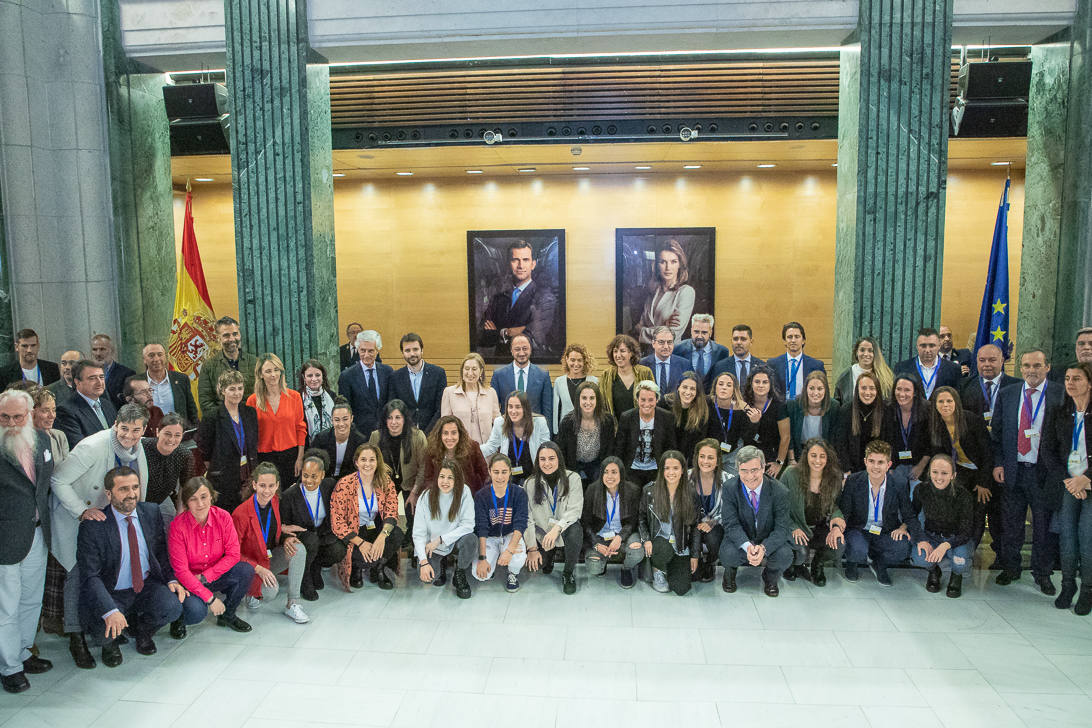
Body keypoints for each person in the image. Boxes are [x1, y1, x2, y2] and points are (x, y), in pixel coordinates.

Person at [51, 403, 150, 669]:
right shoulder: (91, 447)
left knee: (105, 572)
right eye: (124, 428)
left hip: (108, 517)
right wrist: (82, 511)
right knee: (77, 574)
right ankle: (76, 638)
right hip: (78, 517)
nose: (129, 435)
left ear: (144, 429)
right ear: (115, 424)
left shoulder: (138, 447)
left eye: (136, 430)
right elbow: (58, 481)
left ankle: (106, 626)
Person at [75, 467, 185, 666]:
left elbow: (160, 552)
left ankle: (142, 632)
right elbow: (90, 576)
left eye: (135, 487)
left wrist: (171, 579)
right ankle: (110, 645)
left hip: (145, 585)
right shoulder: (93, 526)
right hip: (113, 591)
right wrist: (110, 610)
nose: (132, 494)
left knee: (173, 607)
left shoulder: (151, 512)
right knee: (102, 634)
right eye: (124, 489)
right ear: (109, 494)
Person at [991, 349, 1062, 594]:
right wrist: (998, 463)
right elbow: (997, 434)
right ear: (1020, 368)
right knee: (1011, 524)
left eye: (1037, 365)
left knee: (1043, 527)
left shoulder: (1059, 394)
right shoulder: (1007, 394)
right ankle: (1011, 568)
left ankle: (1042, 574)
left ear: (1047, 367)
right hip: (1013, 470)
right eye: (1026, 365)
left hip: (1043, 473)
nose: (1031, 370)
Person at [0, 389, 54, 694]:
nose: (11, 424)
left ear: (30, 413)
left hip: (37, 532)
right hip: (6, 538)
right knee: (6, 606)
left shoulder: (42, 440)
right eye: (4, 417)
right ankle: (9, 667)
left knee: (32, 598)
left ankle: (21, 652)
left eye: (17, 417)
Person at [168, 476, 254, 636]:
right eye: (193, 499)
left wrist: (207, 576)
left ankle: (227, 616)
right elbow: (181, 571)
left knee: (246, 570)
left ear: (211, 496)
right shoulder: (177, 526)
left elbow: (233, 555)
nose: (200, 504)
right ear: (187, 502)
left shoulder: (223, 517)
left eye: (203, 497)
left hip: (212, 575)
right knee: (196, 613)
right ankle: (178, 617)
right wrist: (211, 599)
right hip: (189, 582)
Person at [231, 463, 309, 624]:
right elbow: (233, 554)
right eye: (262, 485)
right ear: (254, 485)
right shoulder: (240, 514)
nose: (267, 490)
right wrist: (258, 569)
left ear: (277, 486)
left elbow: (273, 531)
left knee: (298, 550)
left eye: (271, 486)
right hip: (250, 567)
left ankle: (292, 604)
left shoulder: (274, 500)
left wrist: (286, 538)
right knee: (270, 592)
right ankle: (249, 593)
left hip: (267, 559)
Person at [1045, 363, 1092, 614]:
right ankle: (1067, 585)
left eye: (1077, 378)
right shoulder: (1060, 411)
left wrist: (1086, 479)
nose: (1070, 383)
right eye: (1067, 378)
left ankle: (1088, 590)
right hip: (1069, 484)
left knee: (1087, 539)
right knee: (1067, 538)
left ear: (1090, 383)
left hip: (1089, 485)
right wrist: (1068, 480)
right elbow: (1048, 451)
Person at [838, 441, 917, 586]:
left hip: (885, 531)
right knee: (857, 548)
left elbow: (908, 513)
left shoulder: (898, 483)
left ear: (889, 464)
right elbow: (845, 512)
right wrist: (838, 529)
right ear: (865, 462)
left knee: (903, 547)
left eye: (881, 462)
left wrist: (904, 527)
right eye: (872, 461)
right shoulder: (853, 481)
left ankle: (879, 562)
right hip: (858, 530)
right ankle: (852, 563)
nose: (875, 467)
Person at [719, 445, 794, 596]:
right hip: (742, 538)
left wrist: (763, 548)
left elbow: (781, 529)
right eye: (744, 471)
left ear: (763, 467)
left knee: (785, 555)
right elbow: (731, 524)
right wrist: (747, 546)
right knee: (727, 553)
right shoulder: (729, 488)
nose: (749, 476)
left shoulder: (780, 491)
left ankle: (770, 577)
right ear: (738, 470)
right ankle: (730, 572)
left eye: (754, 470)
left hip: (767, 538)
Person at [928, 386, 995, 550]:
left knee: (979, 508)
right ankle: (954, 544)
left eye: (949, 401)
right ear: (935, 405)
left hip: (980, 471)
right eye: (941, 401)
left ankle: (970, 549)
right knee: (957, 505)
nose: (945, 405)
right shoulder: (936, 424)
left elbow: (988, 453)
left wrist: (983, 482)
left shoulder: (971, 419)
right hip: (959, 470)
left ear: (956, 402)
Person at [329, 444, 402, 591]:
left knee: (397, 534)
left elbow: (392, 511)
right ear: (356, 462)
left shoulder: (385, 481)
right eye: (363, 460)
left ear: (377, 462)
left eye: (371, 460)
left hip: (376, 529)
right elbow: (337, 523)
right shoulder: (344, 485)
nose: (367, 464)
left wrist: (382, 536)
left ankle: (378, 568)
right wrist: (361, 543)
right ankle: (357, 568)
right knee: (363, 558)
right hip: (354, 533)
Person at [278, 450, 345, 601]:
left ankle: (316, 567)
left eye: (314, 476)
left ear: (322, 475)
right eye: (305, 475)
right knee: (311, 541)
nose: (309, 480)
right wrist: (287, 538)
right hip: (303, 538)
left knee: (338, 549)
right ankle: (305, 575)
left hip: (323, 535)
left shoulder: (330, 486)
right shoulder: (289, 495)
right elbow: (283, 524)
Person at [29, 386, 68, 637]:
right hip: (36, 511)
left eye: (53, 410)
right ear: (31, 412)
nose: (51, 415)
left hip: (59, 507)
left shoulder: (58, 437)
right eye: (45, 410)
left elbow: (64, 472)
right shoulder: (24, 441)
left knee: (58, 564)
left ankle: (53, 617)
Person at [780, 438, 845, 586]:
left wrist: (836, 525)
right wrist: (792, 527)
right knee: (801, 553)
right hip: (795, 526)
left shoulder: (834, 477)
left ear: (828, 457)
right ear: (806, 456)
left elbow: (834, 506)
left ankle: (817, 564)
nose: (818, 460)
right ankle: (795, 565)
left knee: (839, 543)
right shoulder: (791, 473)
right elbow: (778, 506)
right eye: (813, 455)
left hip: (819, 527)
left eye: (822, 456)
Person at [195, 370, 259, 515]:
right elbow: (204, 449)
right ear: (223, 390)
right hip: (224, 478)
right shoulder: (212, 416)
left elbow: (254, 442)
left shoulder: (250, 413)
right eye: (232, 389)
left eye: (240, 388)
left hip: (248, 473)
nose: (237, 393)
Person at [523, 443, 584, 594]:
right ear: (537, 461)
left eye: (551, 458)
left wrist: (556, 529)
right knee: (535, 566)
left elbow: (574, 511)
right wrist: (531, 548)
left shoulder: (573, 478)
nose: (547, 463)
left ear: (559, 459)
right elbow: (528, 518)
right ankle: (549, 554)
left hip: (564, 530)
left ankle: (568, 573)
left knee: (575, 531)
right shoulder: (530, 484)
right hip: (542, 533)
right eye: (542, 459)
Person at [479, 239, 558, 356]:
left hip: (530, 363)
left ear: (533, 264)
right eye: (515, 260)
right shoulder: (497, 299)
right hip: (500, 363)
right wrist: (507, 332)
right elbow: (481, 335)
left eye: (525, 260)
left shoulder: (545, 298)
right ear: (508, 263)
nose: (520, 265)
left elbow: (534, 336)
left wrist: (497, 332)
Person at [911, 455, 974, 598]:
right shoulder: (921, 489)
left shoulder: (964, 495)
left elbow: (966, 531)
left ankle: (956, 575)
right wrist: (921, 539)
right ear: (929, 473)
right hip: (931, 535)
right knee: (920, 557)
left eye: (944, 473)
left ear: (953, 475)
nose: (939, 477)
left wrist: (946, 544)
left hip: (957, 539)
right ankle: (934, 571)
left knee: (960, 563)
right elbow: (912, 516)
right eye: (935, 472)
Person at [638, 450, 700, 595]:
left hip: (679, 545)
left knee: (682, 588)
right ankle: (658, 570)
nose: (671, 472)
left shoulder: (690, 493)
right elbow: (641, 518)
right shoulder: (650, 491)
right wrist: (646, 539)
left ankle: (670, 568)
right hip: (659, 543)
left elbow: (696, 526)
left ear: (683, 470)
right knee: (663, 547)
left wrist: (695, 555)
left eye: (676, 468)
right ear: (662, 470)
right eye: (667, 468)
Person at [413, 458, 476, 599]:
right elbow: (418, 533)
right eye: (442, 477)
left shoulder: (464, 492)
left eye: (450, 478)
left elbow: (468, 525)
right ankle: (440, 562)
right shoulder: (426, 496)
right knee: (428, 578)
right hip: (432, 546)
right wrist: (423, 562)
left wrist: (441, 539)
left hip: (454, 541)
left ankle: (459, 571)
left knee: (471, 540)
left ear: (457, 479)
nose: (445, 482)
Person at [247, 354, 307, 490]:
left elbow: (301, 428)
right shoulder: (252, 400)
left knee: (289, 495)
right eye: (268, 371)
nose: (273, 375)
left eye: (276, 369)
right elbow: (249, 435)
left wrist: (300, 458)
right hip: (264, 458)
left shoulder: (295, 397)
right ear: (261, 374)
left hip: (290, 457)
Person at [581, 456, 643, 588]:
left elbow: (633, 522)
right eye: (606, 472)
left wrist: (620, 537)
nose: (610, 476)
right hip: (600, 536)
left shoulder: (633, 490)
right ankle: (602, 563)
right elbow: (585, 523)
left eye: (614, 472)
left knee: (637, 550)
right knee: (593, 567)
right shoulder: (592, 490)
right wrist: (596, 544)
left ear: (621, 473)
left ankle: (626, 568)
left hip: (623, 534)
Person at [473, 453, 529, 591]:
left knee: (518, 558)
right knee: (480, 575)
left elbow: (520, 523)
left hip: (510, 535)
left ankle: (512, 573)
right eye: (496, 472)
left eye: (504, 472)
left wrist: (509, 550)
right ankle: (492, 563)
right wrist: (482, 558)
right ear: (490, 471)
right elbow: (481, 527)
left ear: (510, 472)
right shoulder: (481, 495)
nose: (500, 477)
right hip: (490, 538)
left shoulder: (519, 493)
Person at [368, 399, 427, 531]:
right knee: (379, 517)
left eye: (398, 417)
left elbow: (423, 466)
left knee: (413, 510)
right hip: (383, 485)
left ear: (405, 418)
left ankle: (410, 544)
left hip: (410, 485)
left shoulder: (417, 436)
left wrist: (415, 492)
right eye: (389, 418)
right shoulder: (376, 437)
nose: (393, 422)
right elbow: (370, 467)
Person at [414, 416, 491, 509]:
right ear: (439, 435)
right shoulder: (431, 451)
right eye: (445, 433)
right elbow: (428, 479)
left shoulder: (472, 447)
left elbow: (485, 475)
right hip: (442, 498)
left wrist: (484, 500)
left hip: (470, 499)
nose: (449, 437)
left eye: (453, 433)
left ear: (460, 434)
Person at [481, 391, 551, 484]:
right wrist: (471, 450)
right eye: (510, 407)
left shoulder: (539, 423)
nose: (513, 411)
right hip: (508, 477)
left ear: (525, 408)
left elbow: (546, 451)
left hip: (532, 477)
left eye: (518, 407)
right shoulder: (500, 422)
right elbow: (490, 447)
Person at [615, 381, 677, 485]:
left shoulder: (667, 417)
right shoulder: (626, 417)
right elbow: (619, 449)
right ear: (637, 399)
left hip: (657, 470)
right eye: (643, 400)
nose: (646, 404)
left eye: (651, 400)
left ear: (657, 400)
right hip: (632, 470)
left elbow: (671, 447)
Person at [556, 382, 617, 486]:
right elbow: (561, 451)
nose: (588, 402)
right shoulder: (567, 422)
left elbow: (610, 449)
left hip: (598, 467)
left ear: (597, 400)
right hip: (574, 467)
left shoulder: (607, 421)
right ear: (578, 400)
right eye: (584, 398)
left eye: (592, 398)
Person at [336, 330, 393, 440]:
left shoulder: (388, 372)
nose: (366, 355)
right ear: (358, 349)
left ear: (377, 350)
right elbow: (346, 410)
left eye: (371, 351)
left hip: (385, 434)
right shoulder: (347, 376)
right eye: (363, 350)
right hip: (359, 436)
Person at [637, 239, 695, 346]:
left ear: (680, 265)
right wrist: (664, 327)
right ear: (657, 265)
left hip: (670, 354)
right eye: (663, 262)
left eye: (673, 262)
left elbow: (672, 333)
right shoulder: (654, 290)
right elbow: (640, 324)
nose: (668, 268)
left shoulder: (686, 292)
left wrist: (642, 331)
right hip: (648, 355)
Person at [197, 316, 259, 414]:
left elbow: (261, 395)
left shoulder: (254, 362)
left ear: (240, 334)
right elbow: (205, 402)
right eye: (226, 335)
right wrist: (226, 419)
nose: (232, 339)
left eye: (235, 334)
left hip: (250, 419)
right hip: (222, 422)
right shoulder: (209, 366)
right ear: (218, 338)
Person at [142, 413, 194, 526]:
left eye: (177, 435)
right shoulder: (143, 447)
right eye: (167, 434)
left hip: (163, 498)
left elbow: (184, 487)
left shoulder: (185, 454)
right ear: (157, 432)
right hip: (140, 500)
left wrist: (180, 513)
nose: (171, 439)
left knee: (173, 528)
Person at [390, 333, 448, 435]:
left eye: (415, 349)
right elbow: (394, 408)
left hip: (432, 434)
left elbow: (440, 408)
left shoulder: (438, 374)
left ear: (422, 350)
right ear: (402, 352)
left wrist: (427, 434)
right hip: (405, 435)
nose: (412, 354)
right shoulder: (395, 377)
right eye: (407, 350)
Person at [689, 439, 730, 583]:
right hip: (691, 525)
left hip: (716, 526)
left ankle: (710, 562)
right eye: (702, 456)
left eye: (711, 457)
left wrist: (713, 522)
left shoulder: (728, 481)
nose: (705, 461)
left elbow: (731, 513)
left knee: (713, 538)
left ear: (718, 461)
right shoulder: (686, 478)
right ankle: (694, 560)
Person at [490, 334, 553, 427]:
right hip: (507, 430)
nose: (521, 352)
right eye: (517, 349)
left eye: (525, 348)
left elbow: (547, 409)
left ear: (530, 349)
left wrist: (548, 435)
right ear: (511, 351)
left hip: (535, 429)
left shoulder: (543, 375)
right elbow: (493, 408)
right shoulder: (498, 375)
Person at [883, 374, 932, 488]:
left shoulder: (927, 410)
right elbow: (884, 440)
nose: (902, 394)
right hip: (895, 465)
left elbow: (931, 443)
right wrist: (889, 466)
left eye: (907, 390)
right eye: (898, 389)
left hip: (921, 463)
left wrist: (921, 466)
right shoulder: (887, 409)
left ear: (914, 392)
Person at [835, 372, 888, 476]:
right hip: (851, 471)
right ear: (857, 389)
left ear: (877, 390)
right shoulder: (846, 411)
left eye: (872, 388)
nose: (867, 392)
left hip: (877, 470)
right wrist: (847, 470)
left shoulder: (885, 412)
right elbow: (840, 443)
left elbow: (888, 443)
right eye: (863, 388)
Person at [441, 353, 500, 445]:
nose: (470, 373)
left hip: (486, 451)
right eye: (467, 369)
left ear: (481, 371)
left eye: (474, 369)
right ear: (462, 371)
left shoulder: (490, 393)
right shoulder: (449, 392)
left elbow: (497, 423)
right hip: (459, 450)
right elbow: (444, 425)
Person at [135, 343, 199, 428]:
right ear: (144, 360)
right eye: (151, 355)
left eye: (160, 355)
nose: (156, 359)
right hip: (148, 436)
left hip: (178, 435)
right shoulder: (136, 382)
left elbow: (192, 411)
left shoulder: (181, 379)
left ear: (166, 357)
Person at [55, 360, 116, 448]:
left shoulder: (108, 405)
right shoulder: (65, 410)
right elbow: (80, 447)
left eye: (101, 377)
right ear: (77, 382)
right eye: (92, 378)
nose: (99, 382)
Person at [741, 366, 790, 475]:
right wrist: (754, 423)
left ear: (770, 384)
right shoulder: (745, 405)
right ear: (751, 383)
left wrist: (779, 463)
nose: (761, 385)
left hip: (773, 458)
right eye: (757, 382)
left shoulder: (779, 406)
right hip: (750, 456)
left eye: (765, 382)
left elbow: (785, 437)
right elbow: (745, 437)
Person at [960, 344, 1020, 427]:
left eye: (992, 360)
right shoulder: (964, 385)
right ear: (977, 362)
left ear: (1001, 361)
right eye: (982, 360)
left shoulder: (1016, 386)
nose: (987, 364)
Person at [895, 327, 962, 399]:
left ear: (939, 346)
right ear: (917, 346)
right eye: (923, 346)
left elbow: (956, 399)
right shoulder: (902, 368)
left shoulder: (953, 369)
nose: (927, 350)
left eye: (932, 346)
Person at [786, 371, 838, 463]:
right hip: (799, 453)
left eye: (820, 389)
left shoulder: (834, 406)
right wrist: (792, 459)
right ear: (806, 389)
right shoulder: (793, 405)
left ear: (825, 390)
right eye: (811, 388)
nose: (815, 392)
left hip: (823, 453)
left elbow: (833, 439)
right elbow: (790, 436)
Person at [767, 322, 827, 402]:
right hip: (780, 410)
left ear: (803, 341)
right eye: (789, 337)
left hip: (805, 409)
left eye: (797, 337)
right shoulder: (772, 364)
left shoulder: (816, 365)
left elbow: (823, 391)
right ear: (784, 341)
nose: (793, 340)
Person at [599, 334, 653, 419]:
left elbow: (652, 401)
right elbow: (601, 404)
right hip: (614, 428)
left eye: (622, 351)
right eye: (615, 351)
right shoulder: (606, 375)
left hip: (639, 426)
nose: (618, 355)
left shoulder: (645, 372)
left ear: (631, 353)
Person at [310, 399, 367, 481]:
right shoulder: (321, 438)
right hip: (325, 480)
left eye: (345, 419)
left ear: (351, 419)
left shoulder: (360, 440)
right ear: (331, 421)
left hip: (349, 482)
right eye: (337, 420)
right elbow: (311, 463)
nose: (341, 424)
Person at [674, 313, 730, 390]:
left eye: (704, 332)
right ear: (691, 331)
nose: (699, 336)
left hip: (711, 400)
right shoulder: (678, 349)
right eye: (696, 332)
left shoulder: (722, 352)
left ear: (710, 333)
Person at [552, 343, 599, 433]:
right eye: (572, 360)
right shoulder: (559, 382)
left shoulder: (594, 381)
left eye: (579, 360)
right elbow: (556, 411)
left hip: (589, 430)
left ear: (584, 361)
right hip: (565, 431)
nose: (576, 364)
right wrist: (556, 433)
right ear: (567, 359)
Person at [833, 336, 894, 404]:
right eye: (862, 350)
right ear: (856, 352)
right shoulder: (845, 376)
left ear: (875, 354)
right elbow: (838, 405)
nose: (866, 354)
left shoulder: (887, 377)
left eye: (870, 351)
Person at [667, 372, 710, 466]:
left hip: (691, 459)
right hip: (668, 457)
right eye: (685, 387)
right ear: (678, 387)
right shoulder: (666, 404)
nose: (688, 392)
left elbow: (698, 442)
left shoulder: (702, 409)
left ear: (697, 391)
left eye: (692, 389)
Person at [705, 372, 746, 461]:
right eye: (720, 384)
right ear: (715, 386)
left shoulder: (741, 408)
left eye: (729, 385)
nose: (724, 388)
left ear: (734, 389)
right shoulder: (706, 402)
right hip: (708, 454)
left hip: (732, 454)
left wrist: (754, 421)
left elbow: (747, 436)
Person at [640, 326, 691, 396]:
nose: (666, 346)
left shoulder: (685, 365)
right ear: (653, 344)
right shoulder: (642, 364)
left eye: (670, 342)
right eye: (661, 342)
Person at [709, 324, 765, 389]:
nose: (738, 342)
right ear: (731, 341)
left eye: (743, 339)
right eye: (735, 339)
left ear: (751, 342)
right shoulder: (720, 367)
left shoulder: (761, 366)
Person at [89, 335, 135, 410]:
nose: (98, 354)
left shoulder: (127, 374)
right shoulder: (86, 374)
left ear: (112, 350)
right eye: (94, 350)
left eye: (102, 349)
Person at [298, 359, 335, 445]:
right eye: (310, 376)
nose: (314, 379)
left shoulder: (332, 396)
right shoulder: (298, 397)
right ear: (304, 377)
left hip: (330, 446)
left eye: (317, 375)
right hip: (307, 448)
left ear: (323, 376)